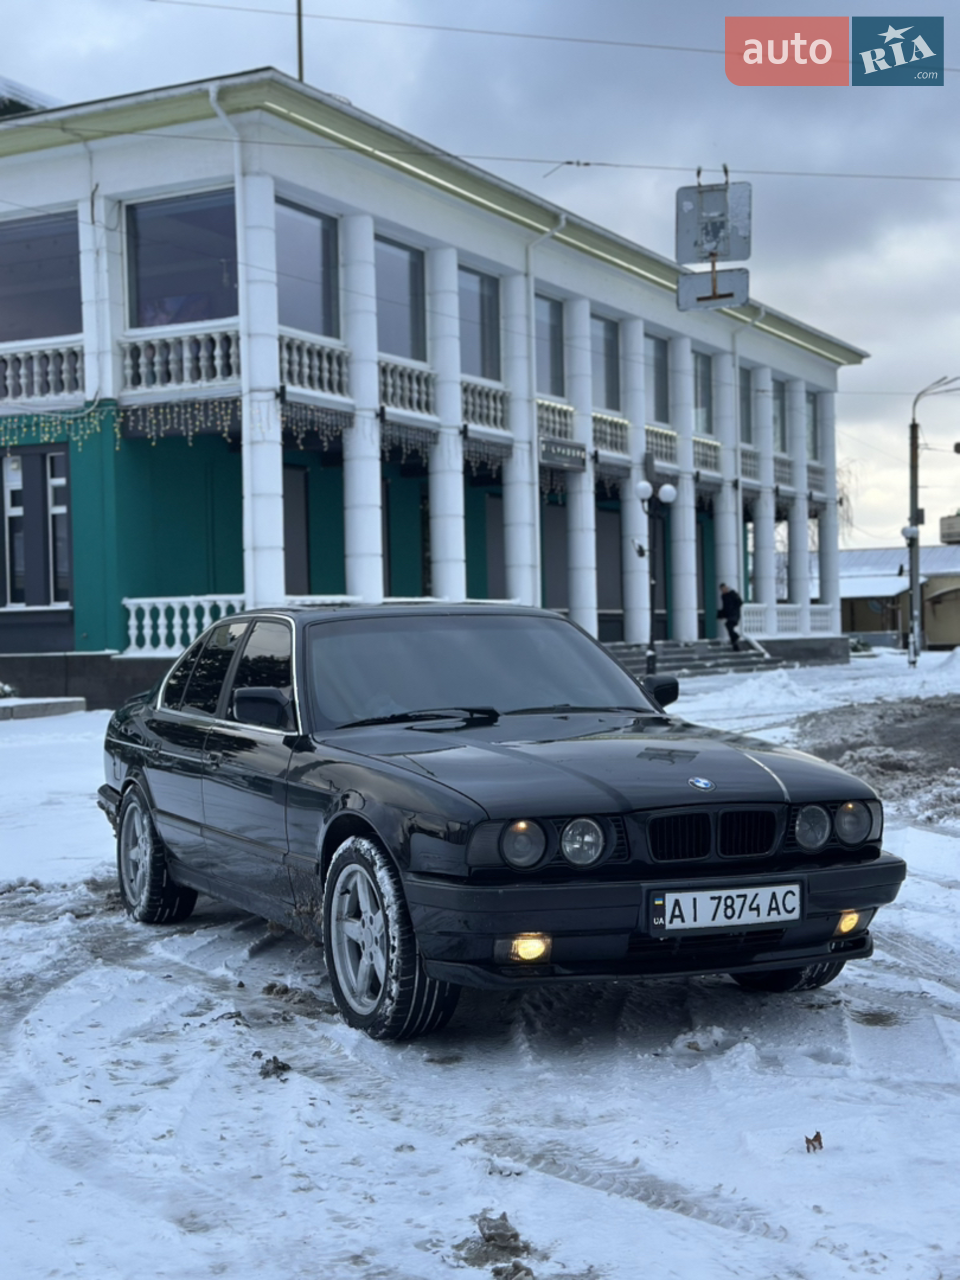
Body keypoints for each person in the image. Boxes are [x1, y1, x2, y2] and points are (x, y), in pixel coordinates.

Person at [718, 582, 743, 651]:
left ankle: (736, 637)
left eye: (723, 589)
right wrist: (721, 614)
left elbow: (740, 602)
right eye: (721, 590)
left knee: (729, 625)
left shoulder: (733, 593)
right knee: (729, 628)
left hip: (735, 614)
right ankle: (735, 644)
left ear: (726, 588)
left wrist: (734, 609)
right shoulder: (723, 596)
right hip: (730, 615)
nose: (723, 591)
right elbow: (725, 607)